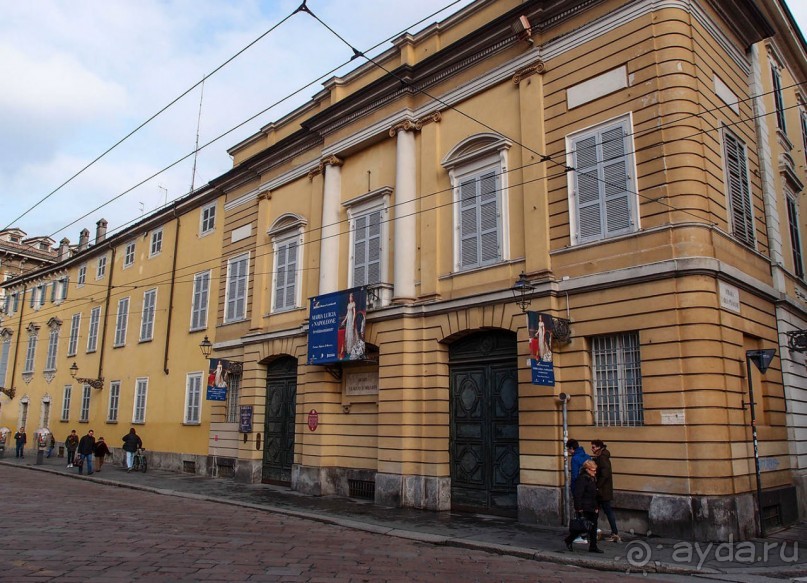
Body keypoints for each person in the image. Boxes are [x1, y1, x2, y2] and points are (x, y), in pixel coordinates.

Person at [564, 459, 603, 553]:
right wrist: (579, 508)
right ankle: (569, 540)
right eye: (593, 470)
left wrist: (597, 507)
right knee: (582, 527)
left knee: (593, 528)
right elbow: (578, 495)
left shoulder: (592, 478)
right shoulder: (582, 479)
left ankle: (593, 546)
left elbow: (594, 494)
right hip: (584, 507)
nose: (595, 472)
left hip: (592, 506)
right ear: (587, 469)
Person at [591, 439, 620, 542]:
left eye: (593, 447)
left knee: (600, 511)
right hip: (603, 490)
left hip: (602, 491)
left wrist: (598, 486)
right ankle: (613, 533)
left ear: (599, 447)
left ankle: (614, 533)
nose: (592, 449)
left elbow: (604, 474)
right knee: (603, 511)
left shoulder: (602, 458)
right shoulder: (601, 457)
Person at [341, 292, 357, 359]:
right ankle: (348, 350)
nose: (350, 298)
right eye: (349, 297)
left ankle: (351, 349)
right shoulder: (348, 304)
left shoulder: (353, 304)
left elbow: (354, 313)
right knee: (347, 334)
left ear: (352, 298)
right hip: (348, 320)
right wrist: (344, 320)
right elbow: (347, 314)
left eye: (351, 297)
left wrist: (353, 322)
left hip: (351, 320)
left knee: (351, 334)